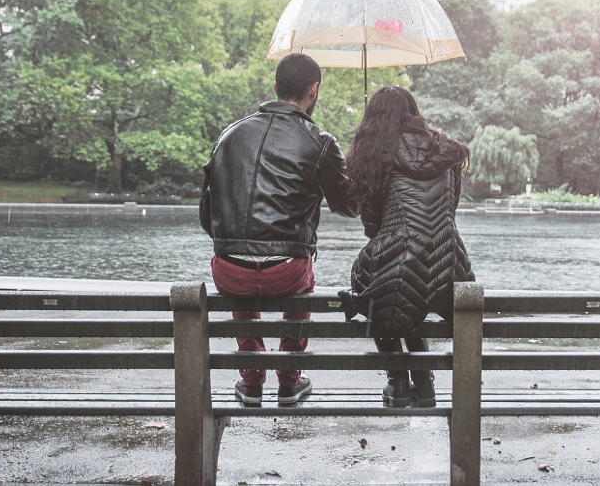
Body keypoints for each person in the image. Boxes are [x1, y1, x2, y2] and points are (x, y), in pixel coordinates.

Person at [200, 53, 357, 406]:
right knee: (304, 275)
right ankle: (289, 380)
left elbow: (206, 217)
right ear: (314, 90)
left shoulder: (228, 135)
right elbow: (349, 207)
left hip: (230, 274)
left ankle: (252, 380)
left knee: (236, 263)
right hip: (286, 273)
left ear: (275, 88)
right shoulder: (320, 142)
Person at [341, 86, 474, 408]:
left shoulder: (376, 154)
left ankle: (397, 382)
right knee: (406, 284)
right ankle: (424, 384)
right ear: (413, 112)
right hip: (449, 263)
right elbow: (449, 211)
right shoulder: (444, 151)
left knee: (378, 284)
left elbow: (372, 225)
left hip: (398, 260)